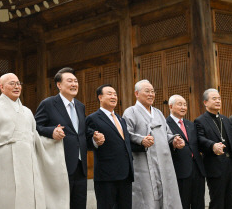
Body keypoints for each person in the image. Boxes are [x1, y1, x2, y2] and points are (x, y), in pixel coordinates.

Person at [0, 73, 69, 209]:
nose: (16, 87)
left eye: (18, 83)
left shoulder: (27, 112)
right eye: (12, 83)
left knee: (30, 197)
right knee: (8, 198)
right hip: (5, 161)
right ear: (1, 87)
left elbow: (36, 138)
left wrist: (53, 137)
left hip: (29, 161)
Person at [35, 67, 97, 209]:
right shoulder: (48, 104)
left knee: (79, 204)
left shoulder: (80, 106)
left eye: (76, 81)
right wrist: (52, 132)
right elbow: (34, 127)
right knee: (61, 205)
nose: (74, 84)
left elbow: (80, 132)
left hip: (81, 166)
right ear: (59, 85)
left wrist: (94, 137)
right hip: (59, 164)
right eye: (69, 81)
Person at [122, 79, 185, 209]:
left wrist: (174, 140)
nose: (151, 94)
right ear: (136, 94)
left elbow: (166, 133)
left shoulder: (158, 113)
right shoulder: (130, 112)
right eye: (147, 91)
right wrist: (141, 140)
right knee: (146, 197)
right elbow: (125, 134)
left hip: (163, 162)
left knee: (168, 195)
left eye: (152, 91)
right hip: (144, 163)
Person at [194, 88, 232, 209]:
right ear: (205, 102)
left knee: (230, 201)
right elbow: (200, 139)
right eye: (214, 99)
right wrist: (212, 145)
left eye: (219, 99)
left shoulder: (225, 119)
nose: (218, 101)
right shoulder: (200, 121)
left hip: (230, 166)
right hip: (215, 167)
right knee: (217, 201)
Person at [85, 84, 133, 209]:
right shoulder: (93, 118)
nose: (114, 96)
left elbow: (124, 143)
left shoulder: (120, 119)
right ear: (100, 97)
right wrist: (95, 141)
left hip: (125, 174)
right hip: (107, 176)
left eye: (115, 94)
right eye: (110, 94)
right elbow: (87, 141)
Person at [166, 95, 206, 209]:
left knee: (199, 204)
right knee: (182, 204)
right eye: (180, 104)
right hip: (180, 171)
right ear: (170, 106)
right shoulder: (165, 124)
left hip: (197, 170)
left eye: (185, 104)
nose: (183, 107)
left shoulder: (191, 124)